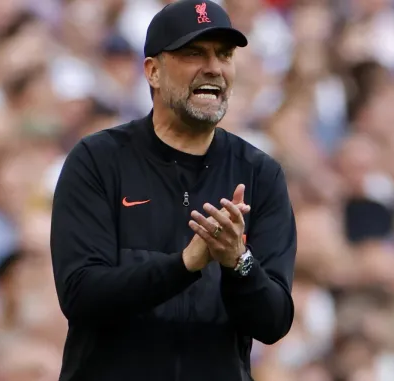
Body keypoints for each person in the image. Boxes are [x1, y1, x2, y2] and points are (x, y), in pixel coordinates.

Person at [50, 1, 297, 380]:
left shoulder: (259, 174)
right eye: (193, 53)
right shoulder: (98, 160)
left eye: (224, 54)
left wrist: (239, 262)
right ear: (153, 71)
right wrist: (184, 265)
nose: (213, 67)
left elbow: (274, 321)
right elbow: (81, 294)